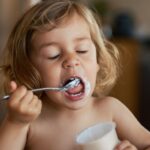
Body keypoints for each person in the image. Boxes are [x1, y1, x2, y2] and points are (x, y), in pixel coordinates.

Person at [0, 0, 150, 150]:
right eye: (54, 55)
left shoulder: (110, 109)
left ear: (98, 60)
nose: (72, 60)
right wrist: (16, 122)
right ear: (29, 69)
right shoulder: (29, 122)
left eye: (82, 50)